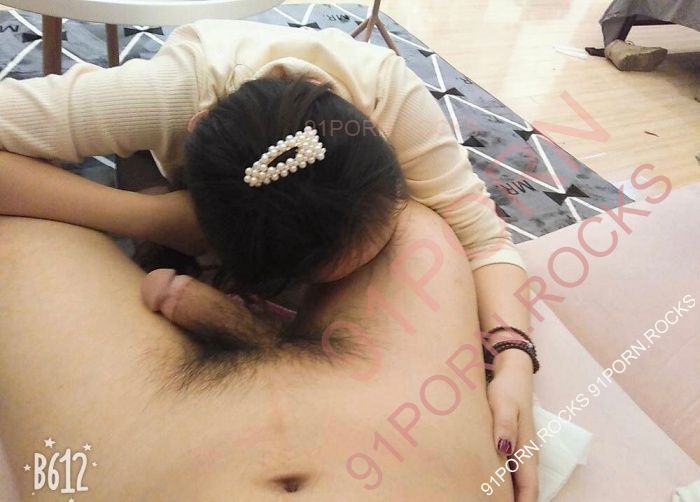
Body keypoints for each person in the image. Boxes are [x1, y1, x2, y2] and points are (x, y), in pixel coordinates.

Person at [0, 19, 537, 496]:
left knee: (426, 222)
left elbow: (485, 241)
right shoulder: (163, 96)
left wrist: (514, 357)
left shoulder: (389, 99)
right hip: (180, 152)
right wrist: (152, 218)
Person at [0, 187, 534, 500]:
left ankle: (240, 324)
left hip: (144, 438)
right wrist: (514, 355)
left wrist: (164, 217)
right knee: (399, 217)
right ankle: (245, 326)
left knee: (19, 235)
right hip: (388, 408)